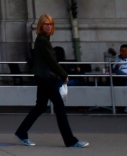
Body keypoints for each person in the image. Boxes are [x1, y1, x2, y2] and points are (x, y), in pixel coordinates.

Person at [14, 14, 89, 148]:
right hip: (46, 78)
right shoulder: (42, 40)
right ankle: (70, 140)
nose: (49, 26)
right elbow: (51, 61)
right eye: (46, 24)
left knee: (41, 106)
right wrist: (63, 74)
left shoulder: (43, 40)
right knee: (59, 107)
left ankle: (21, 132)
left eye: (51, 24)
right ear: (41, 26)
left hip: (43, 77)